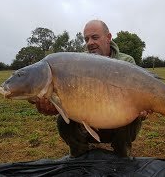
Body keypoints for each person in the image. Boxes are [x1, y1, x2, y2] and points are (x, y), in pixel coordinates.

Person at [32, 20, 149, 157]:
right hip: (87, 122)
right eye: (86, 39)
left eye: (94, 37)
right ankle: (79, 155)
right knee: (63, 122)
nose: (89, 43)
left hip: (117, 121)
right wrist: (51, 107)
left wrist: (143, 109)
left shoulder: (126, 61)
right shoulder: (78, 63)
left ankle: (122, 155)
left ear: (108, 37)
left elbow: (139, 96)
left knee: (133, 118)